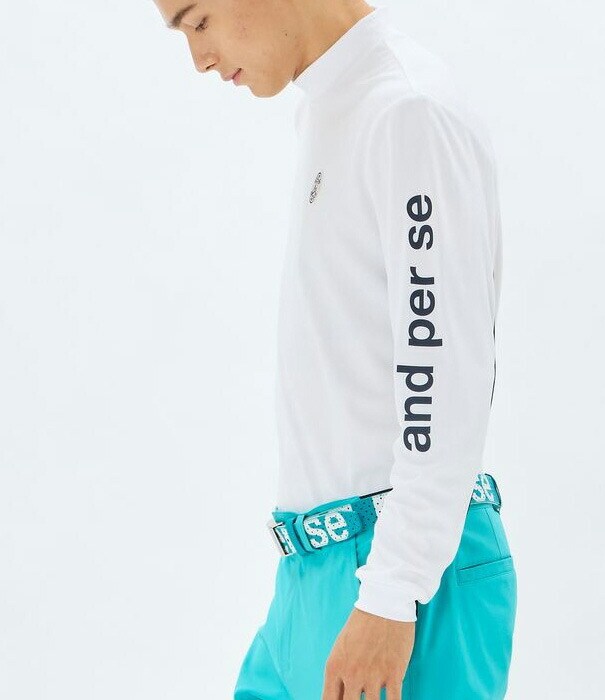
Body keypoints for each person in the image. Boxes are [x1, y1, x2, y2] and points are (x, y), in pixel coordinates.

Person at [153, 1, 517, 697]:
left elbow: (443, 372)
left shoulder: (407, 112)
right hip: (311, 573)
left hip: (398, 578)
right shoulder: (331, 108)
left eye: (198, 22)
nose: (199, 59)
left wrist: (394, 588)